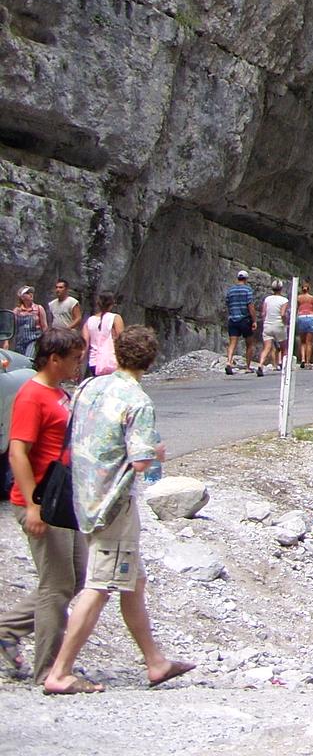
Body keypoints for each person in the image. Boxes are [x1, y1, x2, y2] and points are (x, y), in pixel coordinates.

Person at [40, 325, 194, 694]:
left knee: (133, 581)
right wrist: (156, 452)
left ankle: (155, 662)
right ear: (151, 361)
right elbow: (141, 461)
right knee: (100, 585)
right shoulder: (138, 401)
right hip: (113, 504)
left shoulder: (89, 386)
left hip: (83, 496)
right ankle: (60, 672)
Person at [0, 328, 87, 681]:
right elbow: (17, 452)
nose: (79, 364)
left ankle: (7, 629)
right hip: (41, 503)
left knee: (76, 577)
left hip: (62, 503)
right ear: (54, 359)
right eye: (74, 359)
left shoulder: (58, 392)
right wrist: (33, 507)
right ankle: (49, 670)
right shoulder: (31, 395)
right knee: (57, 585)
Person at [222, 270, 256, 375]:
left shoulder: (231, 290)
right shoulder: (247, 290)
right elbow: (250, 306)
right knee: (249, 344)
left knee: (232, 343)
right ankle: (248, 367)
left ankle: (229, 362)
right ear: (246, 279)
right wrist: (254, 320)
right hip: (245, 320)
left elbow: (227, 304)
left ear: (238, 278)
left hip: (233, 319)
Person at [82, 291, 122, 378]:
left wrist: (78, 363)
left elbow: (84, 345)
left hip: (94, 363)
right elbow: (122, 341)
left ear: (98, 304)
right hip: (112, 361)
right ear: (112, 304)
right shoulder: (115, 318)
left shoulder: (89, 321)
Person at [6, 288, 48, 364]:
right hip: (20, 342)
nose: (31, 294)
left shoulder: (38, 309)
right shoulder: (17, 311)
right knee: (19, 361)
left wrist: (46, 342)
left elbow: (44, 327)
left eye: (31, 292)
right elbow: (11, 328)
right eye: (27, 293)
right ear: (22, 297)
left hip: (33, 340)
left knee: (28, 359)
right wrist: (7, 342)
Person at [259, 280, 291, 373]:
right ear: (281, 288)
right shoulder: (284, 300)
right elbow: (283, 314)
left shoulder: (267, 299)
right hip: (279, 325)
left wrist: (265, 322)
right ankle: (284, 366)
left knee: (267, 348)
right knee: (284, 348)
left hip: (268, 325)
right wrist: (285, 323)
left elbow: (263, 313)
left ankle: (260, 365)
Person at [295, 287, 313, 368]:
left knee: (302, 342)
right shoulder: (312, 298)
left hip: (301, 317)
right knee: (309, 342)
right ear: (309, 289)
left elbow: (296, 309)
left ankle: (302, 359)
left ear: (302, 289)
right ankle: (308, 361)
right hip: (310, 317)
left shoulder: (298, 298)